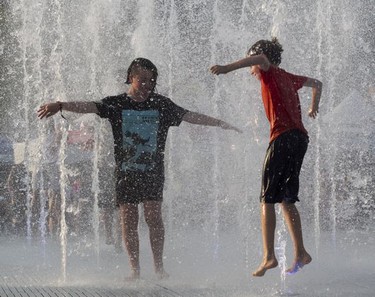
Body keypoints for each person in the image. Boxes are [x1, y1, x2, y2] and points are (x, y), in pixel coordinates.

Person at [37, 57, 241, 280]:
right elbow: (90, 106)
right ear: (130, 78)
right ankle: (135, 270)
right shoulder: (117, 104)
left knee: (154, 218)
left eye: (151, 81)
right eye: (141, 80)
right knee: (129, 220)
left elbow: (190, 116)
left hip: (152, 171)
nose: (146, 85)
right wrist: (61, 105)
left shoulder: (162, 104)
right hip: (126, 172)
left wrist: (220, 123)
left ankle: (159, 268)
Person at [211, 38, 322, 276]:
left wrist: (226, 69)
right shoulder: (289, 77)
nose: (251, 70)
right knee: (286, 199)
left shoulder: (268, 70)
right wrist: (314, 107)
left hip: (282, 137)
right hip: (301, 138)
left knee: (267, 198)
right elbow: (318, 83)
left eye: (251, 64)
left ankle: (269, 256)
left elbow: (261, 59)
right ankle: (301, 252)